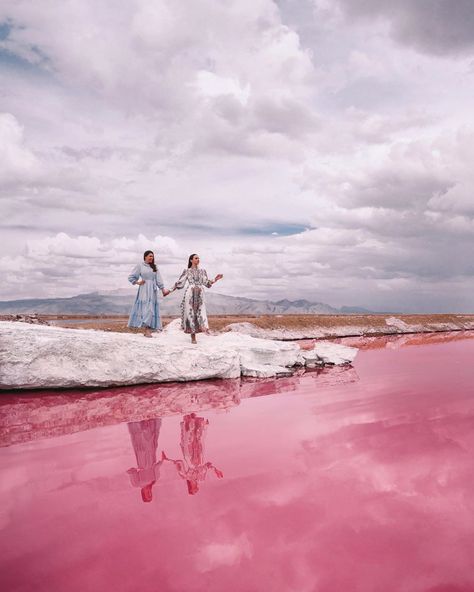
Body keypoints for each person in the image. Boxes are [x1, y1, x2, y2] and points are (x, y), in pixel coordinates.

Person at [169, 254, 223, 344]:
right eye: (196, 258)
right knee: (191, 313)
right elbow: (179, 283)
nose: (198, 260)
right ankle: (193, 336)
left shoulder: (202, 271)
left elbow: (207, 283)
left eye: (198, 258)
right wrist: (169, 290)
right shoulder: (187, 271)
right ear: (191, 260)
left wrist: (215, 279)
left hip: (200, 294)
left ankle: (202, 329)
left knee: (201, 313)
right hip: (190, 293)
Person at [128, 250, 170, 337]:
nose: (151, 258)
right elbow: (131, 276)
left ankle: (148, 329)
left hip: (153, 291)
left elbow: (159, 279)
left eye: (152, 256)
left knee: (151, 309)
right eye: (150, 256)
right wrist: (138, 282)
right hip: (144, 290)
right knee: (146, 309)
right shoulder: (140, 265)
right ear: (145, 257)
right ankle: (147, 330)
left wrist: (162, 289)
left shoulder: (154, 267)